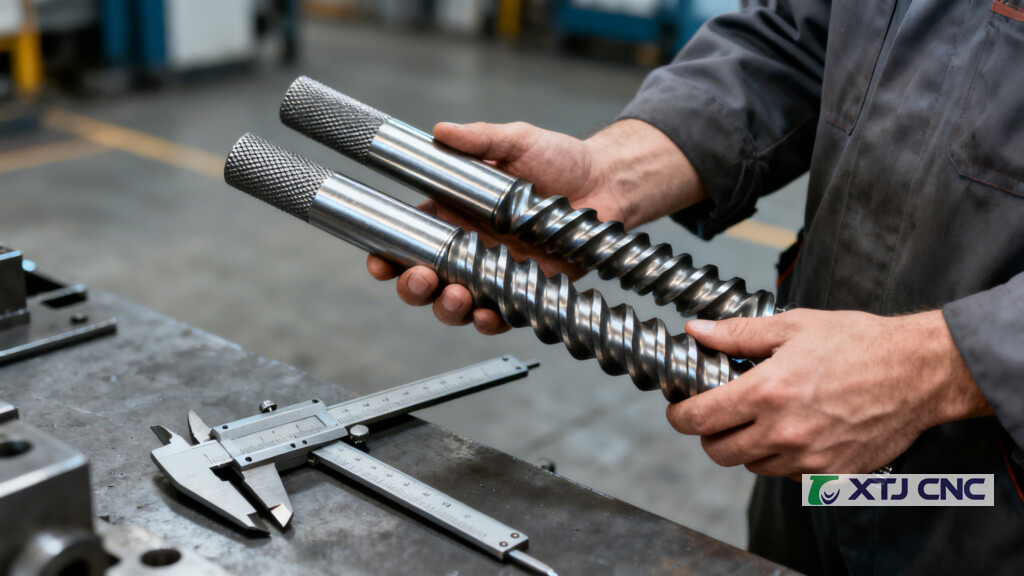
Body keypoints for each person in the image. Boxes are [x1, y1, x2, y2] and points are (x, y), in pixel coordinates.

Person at [367, 1, 1024, 573]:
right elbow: (795, 40)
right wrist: (611, 173)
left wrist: (938, 364)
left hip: (989, 501)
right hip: (809, 446)